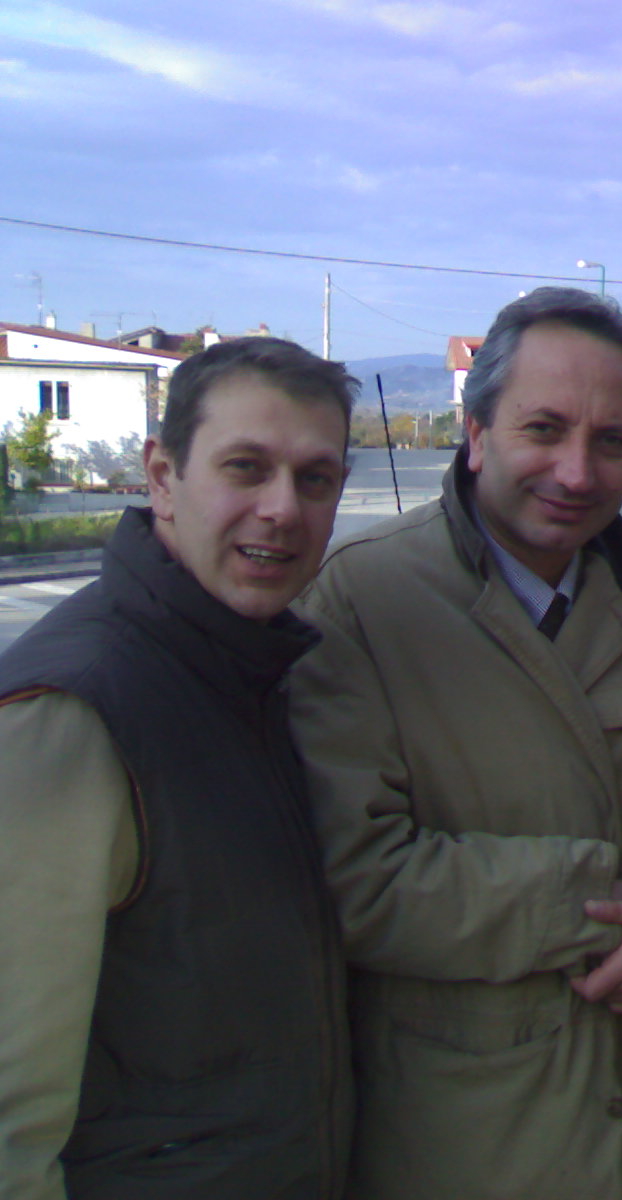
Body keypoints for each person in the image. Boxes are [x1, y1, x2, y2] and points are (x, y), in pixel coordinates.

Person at [288, 288, 622, 1200]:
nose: (576, 473)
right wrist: (595, 899)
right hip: (445, 1133)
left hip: (619, 1120)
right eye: (543, 429)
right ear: (476, 434)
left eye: (611, 442)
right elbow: (348, 875)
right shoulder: (363, 602)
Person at [0, 337, 357, 1199]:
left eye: (315, 479)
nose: (283, 509)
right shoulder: (71, 711)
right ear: (162, 477)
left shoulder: (257, 669)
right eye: (246, 468)